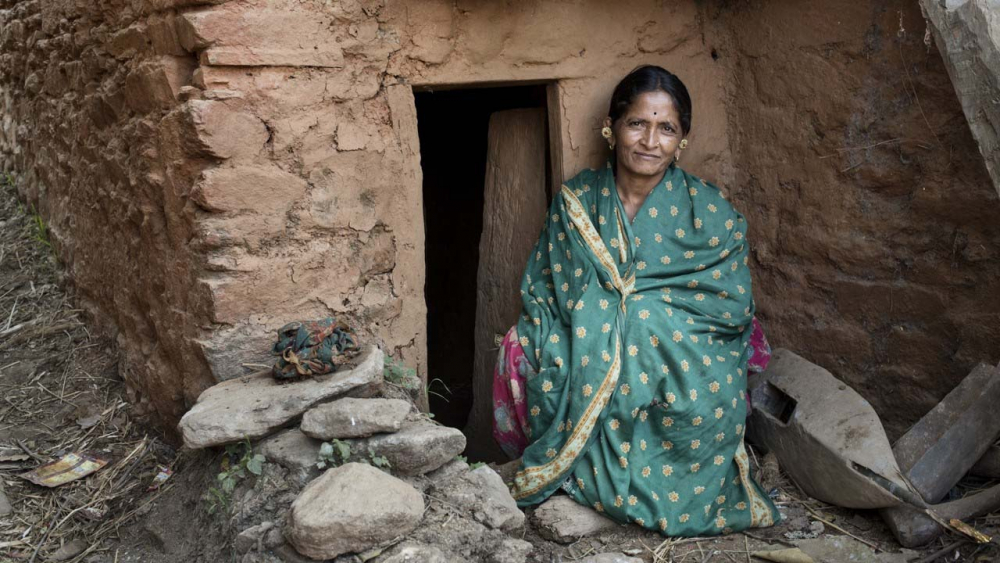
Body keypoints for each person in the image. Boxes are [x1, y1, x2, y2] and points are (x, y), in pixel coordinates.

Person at [491, 65, 780, 536]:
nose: (650, 141)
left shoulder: (708, 212)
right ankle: (574, 468)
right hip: (583, 344)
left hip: (682, 355)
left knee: (649, 329)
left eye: (666, 128)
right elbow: (546, 291)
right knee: (519, 347)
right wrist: (607, 324)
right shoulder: (578, 202)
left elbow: (729, 307)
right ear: (612, 127)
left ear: (682, 140)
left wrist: (643, 319)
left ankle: (621, 480)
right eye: (637, 124)